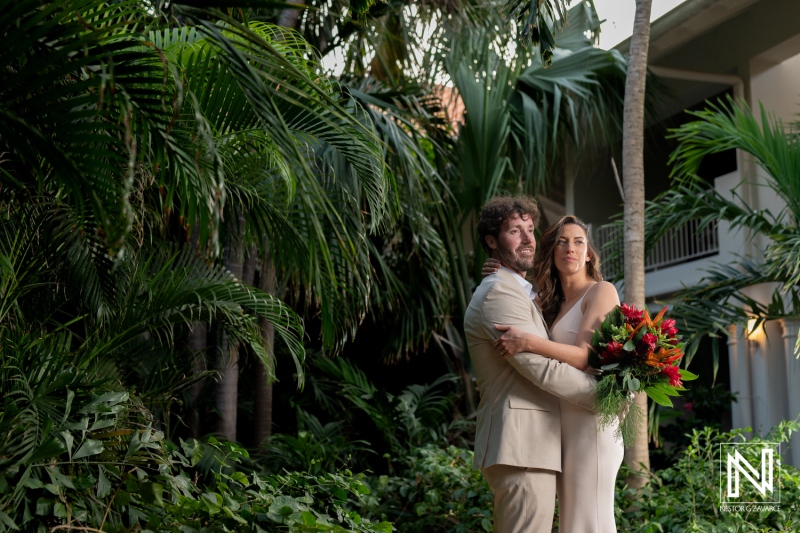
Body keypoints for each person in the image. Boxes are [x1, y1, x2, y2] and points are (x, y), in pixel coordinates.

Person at [463, 197, 599, 533]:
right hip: (520, 446)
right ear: (492, 242)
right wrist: (604, 397)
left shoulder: (518, 290)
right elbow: (541, 368)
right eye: (514, 231)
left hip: (532, 445)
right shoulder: (499, 293)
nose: (527, 239)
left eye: (530, 230)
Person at [485, 214, 624, 533]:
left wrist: (528, 341)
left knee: (590, 521)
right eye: (562, 242)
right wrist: (497, 268)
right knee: (572, 522)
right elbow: (515, 290)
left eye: (578, 242)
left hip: (592, 424)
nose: (570, 249)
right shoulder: (549, 303)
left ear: (589, 253)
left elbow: (586, 356)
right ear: (552, 252)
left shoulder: (601, 291)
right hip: (560, 425)